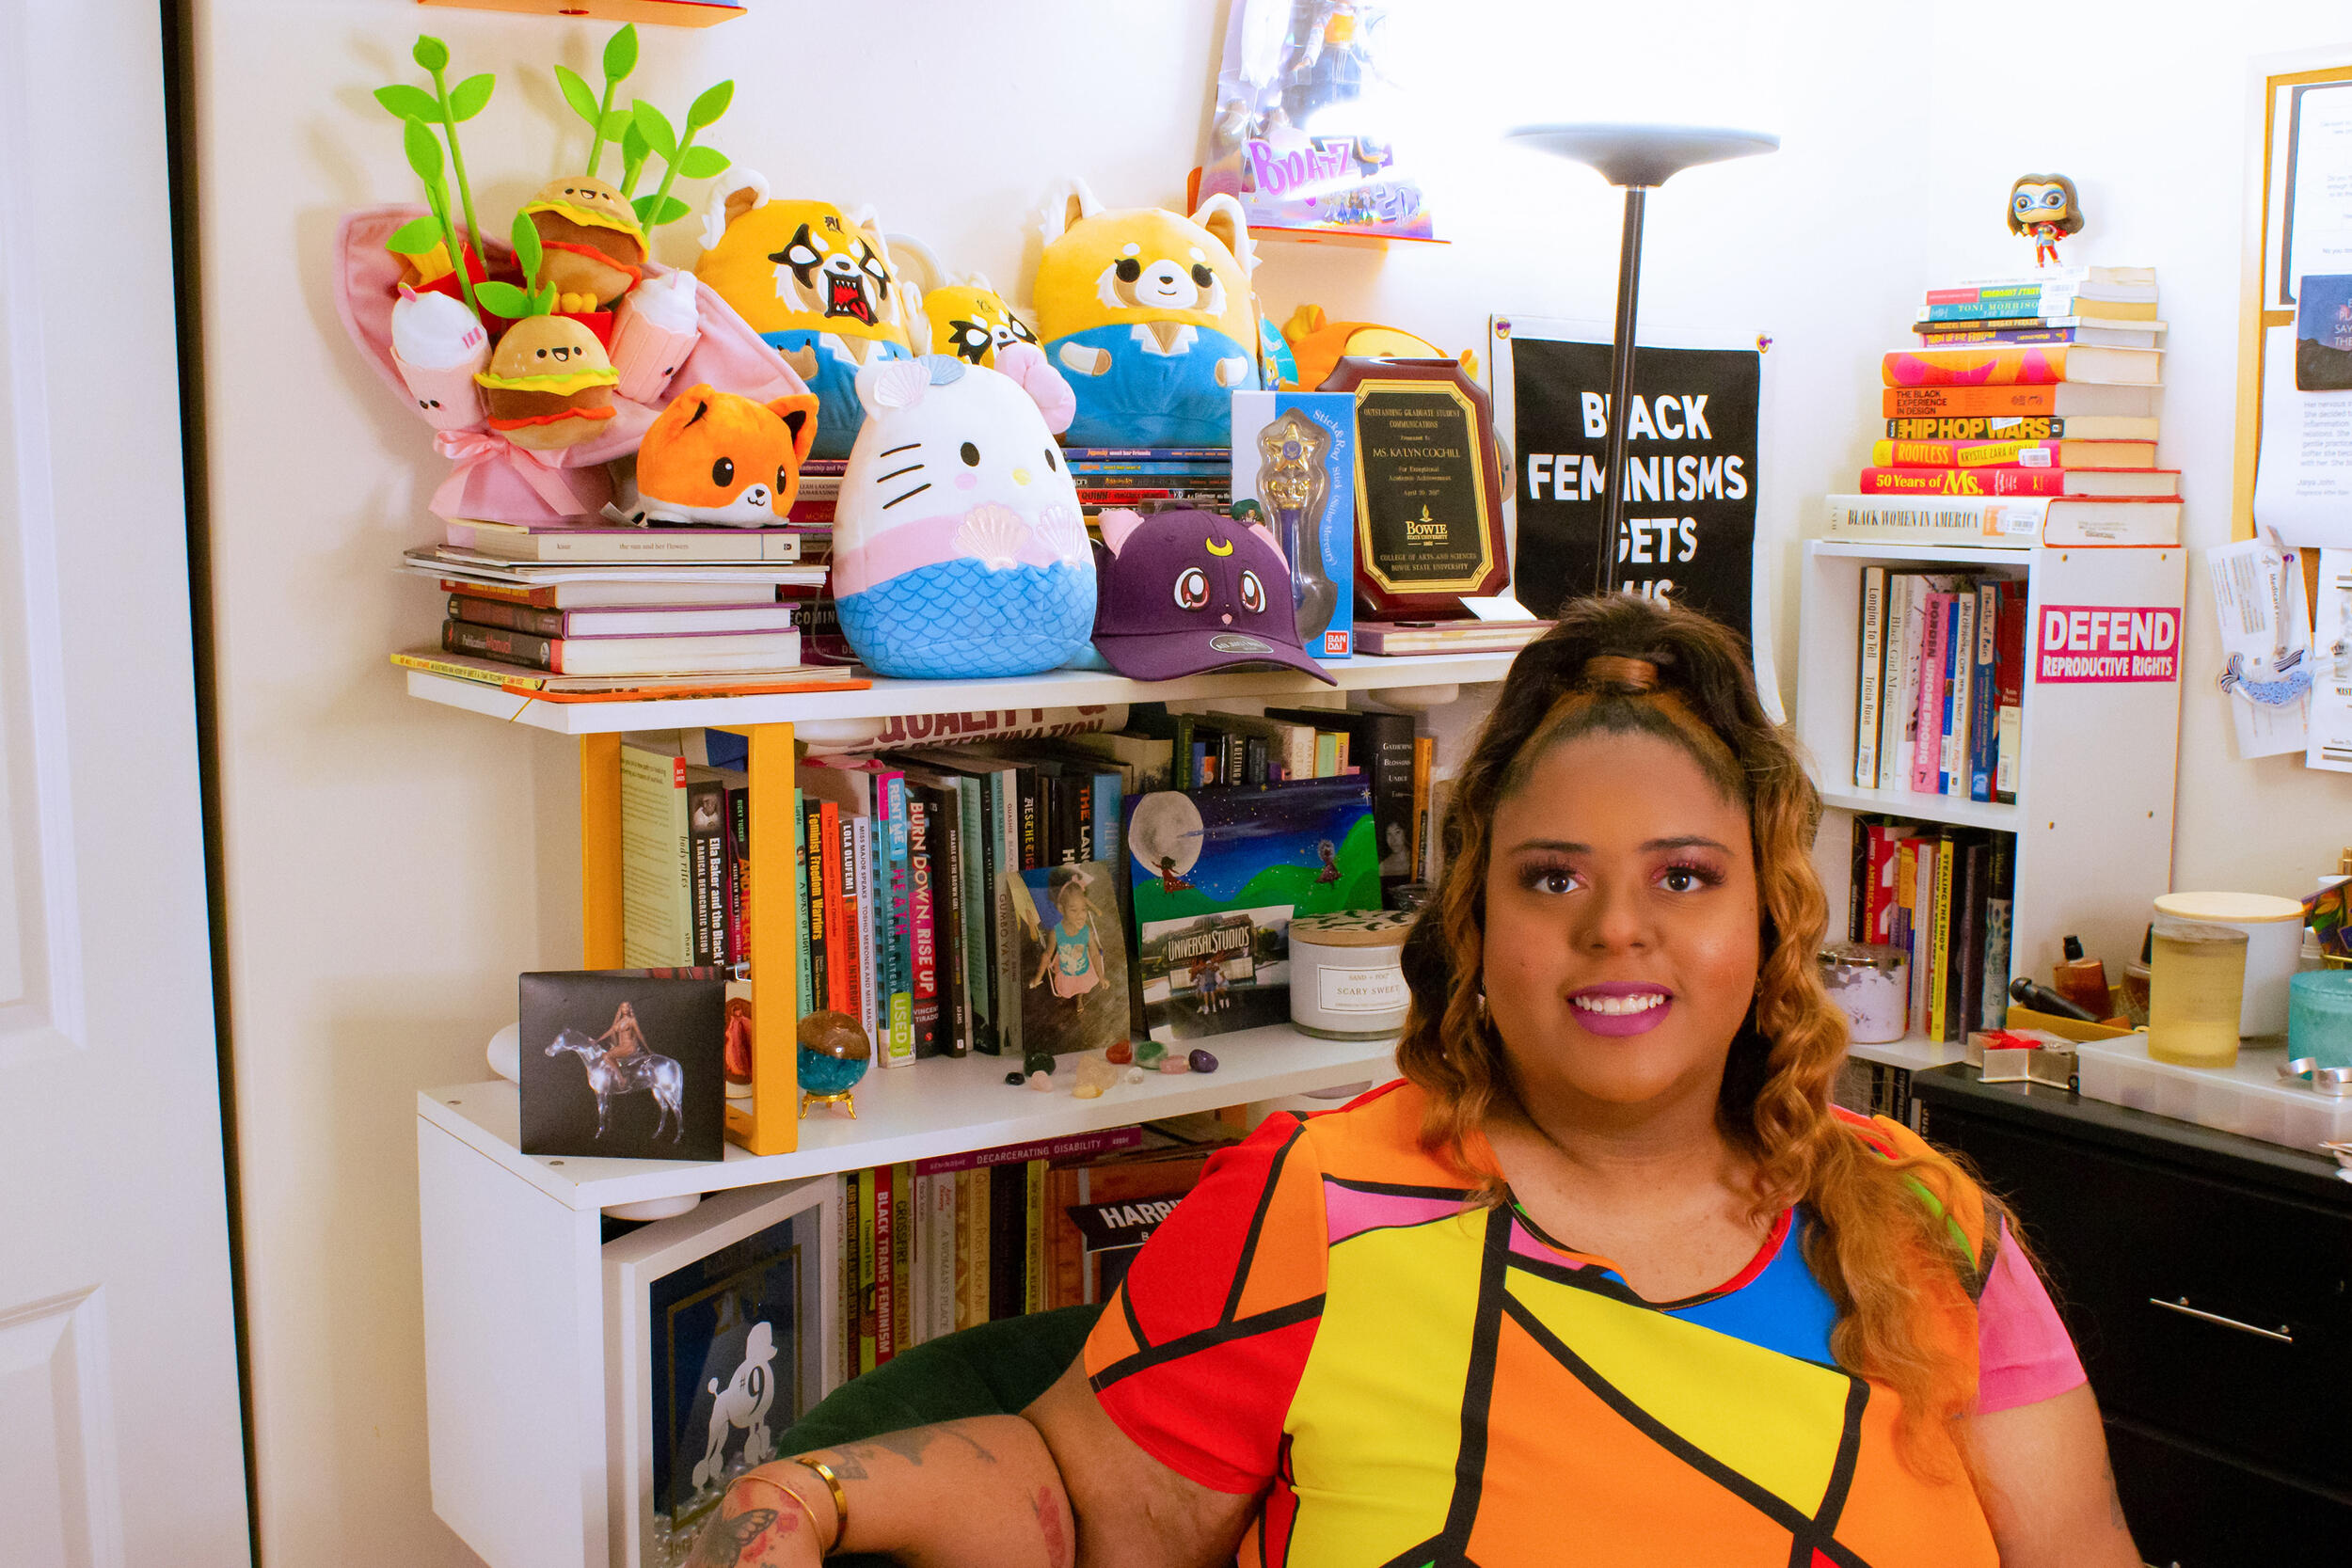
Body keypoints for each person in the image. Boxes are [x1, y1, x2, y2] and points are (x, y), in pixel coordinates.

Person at [691, 594, 2140, 1568]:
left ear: (1767, 918)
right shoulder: (1317, 1202)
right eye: (1552, 875)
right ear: (1477, 924)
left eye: (1684, 876)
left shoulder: (1927, 1225)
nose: (1616, 926)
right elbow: (1075, 1491)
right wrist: (806, 1492)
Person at [596, 999, 647, 1064]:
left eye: (627, 1007)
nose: (625, 1009)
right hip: (621, 1046)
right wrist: (597, 1040)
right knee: (605, 1056)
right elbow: (610, 1032)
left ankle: (619, 1072)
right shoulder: (619, 1021)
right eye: (623, 1007)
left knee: (606, 1056)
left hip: (629, 1046)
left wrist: (648, 1049)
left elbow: (639, 1035)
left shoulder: (631, 1020)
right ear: (620, 1009)